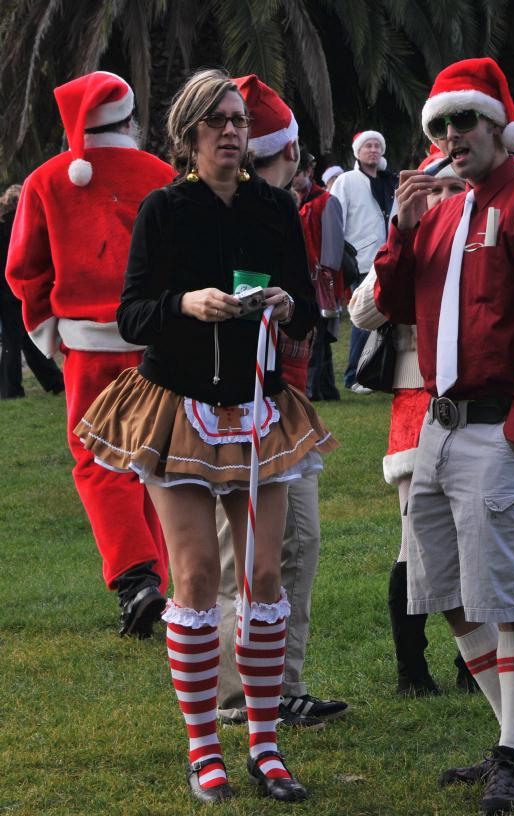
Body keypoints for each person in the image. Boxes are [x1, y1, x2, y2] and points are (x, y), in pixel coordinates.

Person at [74, 68, 335, 803]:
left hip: (257, 410)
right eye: (217, 121)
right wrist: (185, 303)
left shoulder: (274, 208)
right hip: (177, 410)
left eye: (239, 122)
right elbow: (132, 315)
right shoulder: (164, 209)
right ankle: (202, 749)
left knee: (263, 581)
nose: (231, 131)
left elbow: (310, 309)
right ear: (188, 133)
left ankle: (264, 744)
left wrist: (287, 306)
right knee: (192, 580)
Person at [374, 57, 514, 815]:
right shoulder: (438, 214)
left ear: (500, 126)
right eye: (441, 125)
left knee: (511, 594)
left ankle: (511, 755)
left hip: (501, 427)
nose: (453, 136)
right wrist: (400, 227)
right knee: (449, 594)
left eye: (465, 121)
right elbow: (394, 302)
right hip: (439, 424)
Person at [5, 71, 173, 636]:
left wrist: (49, 334)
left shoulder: (46, 180)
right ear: (130, 120)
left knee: (98, 463)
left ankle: (135, 578)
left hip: (87, 346)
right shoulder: (162, 175)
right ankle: (160, 582)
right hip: (160, 341)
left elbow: (25, 270)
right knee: (156, 460)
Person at [210, 74, 347, 732]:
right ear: (287, 150)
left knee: (294, 546)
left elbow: (300, 320)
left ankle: (279, 686)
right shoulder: (228, 211)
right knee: (248, 550)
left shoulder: (275, 210)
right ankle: (241, 696)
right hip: (236, 406)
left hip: (280, 403)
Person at [350, 146, 477, 696]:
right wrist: (405, 245)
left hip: (477, 404)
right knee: (416, 543)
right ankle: (412, 669)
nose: (448, 200)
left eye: (456, 189)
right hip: (416, 407)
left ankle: (474, 663)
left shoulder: (488, 236)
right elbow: (362, 311)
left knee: (477, 540)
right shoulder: (408, 239)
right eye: (438, 190)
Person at [329, 128, 396, 393]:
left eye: (377, 146)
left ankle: (376, 372)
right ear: (358, 152)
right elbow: (337, 217)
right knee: (361, 317)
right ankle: (352, 375)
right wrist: (342, 255)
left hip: (387, 256)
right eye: (368, 146)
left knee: (385, 318)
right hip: (360, 260)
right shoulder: (346, 181)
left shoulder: (389, 181)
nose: (373, 150)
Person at [1, 184, 64, 398]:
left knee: (19, 340)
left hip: (6, 291)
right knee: (20, 339)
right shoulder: (20, 223)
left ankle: (50, 381)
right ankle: (13, 389)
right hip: (17, 289)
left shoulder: (4, 224)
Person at [294, 148, 346, 402]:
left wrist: (325, 282)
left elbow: (333, 251)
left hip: (322, 281)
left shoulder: (326, 201)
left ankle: (313, 389)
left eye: (297, 174)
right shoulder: (296, 201)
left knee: (317, 339)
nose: (292, 179)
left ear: (308, 173)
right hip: (305, 280)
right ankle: (326, 389)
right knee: (318, 339)